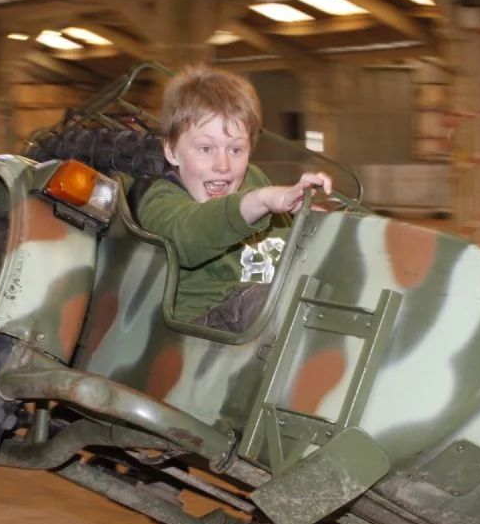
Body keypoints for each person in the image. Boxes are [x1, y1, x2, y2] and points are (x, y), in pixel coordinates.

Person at [132, 64, 331, 330]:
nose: (223, 165)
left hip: (274, 315)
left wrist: (314, 221)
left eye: (236, 149)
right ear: (171, 151)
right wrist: (260, 201)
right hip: (205, 332)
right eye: (205, 148)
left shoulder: (254, 178)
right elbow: (189, 234)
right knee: (269, 303)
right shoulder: (160, 200)